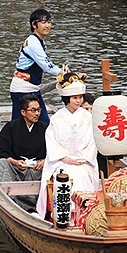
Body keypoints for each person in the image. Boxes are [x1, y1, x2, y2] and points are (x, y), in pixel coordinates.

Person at [35, 71, 98, 222]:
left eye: (80, 97)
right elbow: (52, 142)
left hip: (84, 160)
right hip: (62, 161)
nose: (78, 101)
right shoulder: (57, 118)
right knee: (67, 175)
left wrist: (84, 158)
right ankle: (67, 216)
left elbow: (93, 142)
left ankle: (86, 214)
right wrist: (64, 157)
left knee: (82, 174)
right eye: (75, 98)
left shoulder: (88, 117)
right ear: (67, 99)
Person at [0, 94, 47, 211]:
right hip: (17, 168)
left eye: (38, 110)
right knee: (1, 163)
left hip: (38, 169)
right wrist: (14, 162)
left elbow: (55, 150)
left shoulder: (46, 128)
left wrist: (45, 161)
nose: (37, 113)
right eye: (33, 110)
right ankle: (7, 202)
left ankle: (40, 206)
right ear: (23, 112)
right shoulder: (11, 127)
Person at [9, 9, 62, 124]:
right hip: (22, 90)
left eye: (49, 22)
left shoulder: (39, 41)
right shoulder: (33, 42)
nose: (47, 25)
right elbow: (47, 66)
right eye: (43, 22)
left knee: (44, 124)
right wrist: (63, 73)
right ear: (34, 25)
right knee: (18, 126)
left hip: (33, 89)